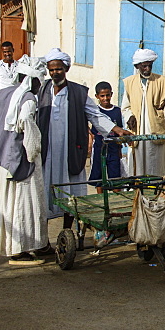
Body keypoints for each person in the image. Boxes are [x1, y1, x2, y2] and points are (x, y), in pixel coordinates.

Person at [38, 48, 130, 234]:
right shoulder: (40, 90)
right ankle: (43, 238)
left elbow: (95, 115)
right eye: (52, 69)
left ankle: (68, 230)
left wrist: (116, 129)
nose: (55, 73)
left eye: (59, 69)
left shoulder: (79, 93)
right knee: (45, 192)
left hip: (70, 151)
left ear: (66, 69)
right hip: (47, 152)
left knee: (71, 191)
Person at [0, 56, 50, 266]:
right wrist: (32, 153)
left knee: (5, 205)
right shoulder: (29, 98)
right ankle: (18, 251)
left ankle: (12, 247)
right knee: (22, 205)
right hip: (18, 162)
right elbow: (26, 124)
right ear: (32, 80)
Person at [121, 48, 165, 177]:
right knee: (137, 166)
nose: (147, 69)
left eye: (149, 66)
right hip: (137, 131)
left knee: (156, 164)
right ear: (137, 66)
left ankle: (158, 193)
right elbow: (125, 107)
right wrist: (130, 116)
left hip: (155, 130)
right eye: (144, 66)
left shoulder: (163, 81)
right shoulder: (129, 82)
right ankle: (139, 194)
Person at [88, 81, 124, 193]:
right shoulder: (94, 111)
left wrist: (120, 149)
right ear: (97, 96)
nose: (105, 98)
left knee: (115, 179)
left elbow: (120, 131)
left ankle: (117, 204)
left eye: (107, 95)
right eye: (102, 96)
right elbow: (90, 130)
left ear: (111, 94)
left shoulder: (117, 111)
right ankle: (102, 202)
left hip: (113, 150)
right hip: (99, 148)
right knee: (99, 179)